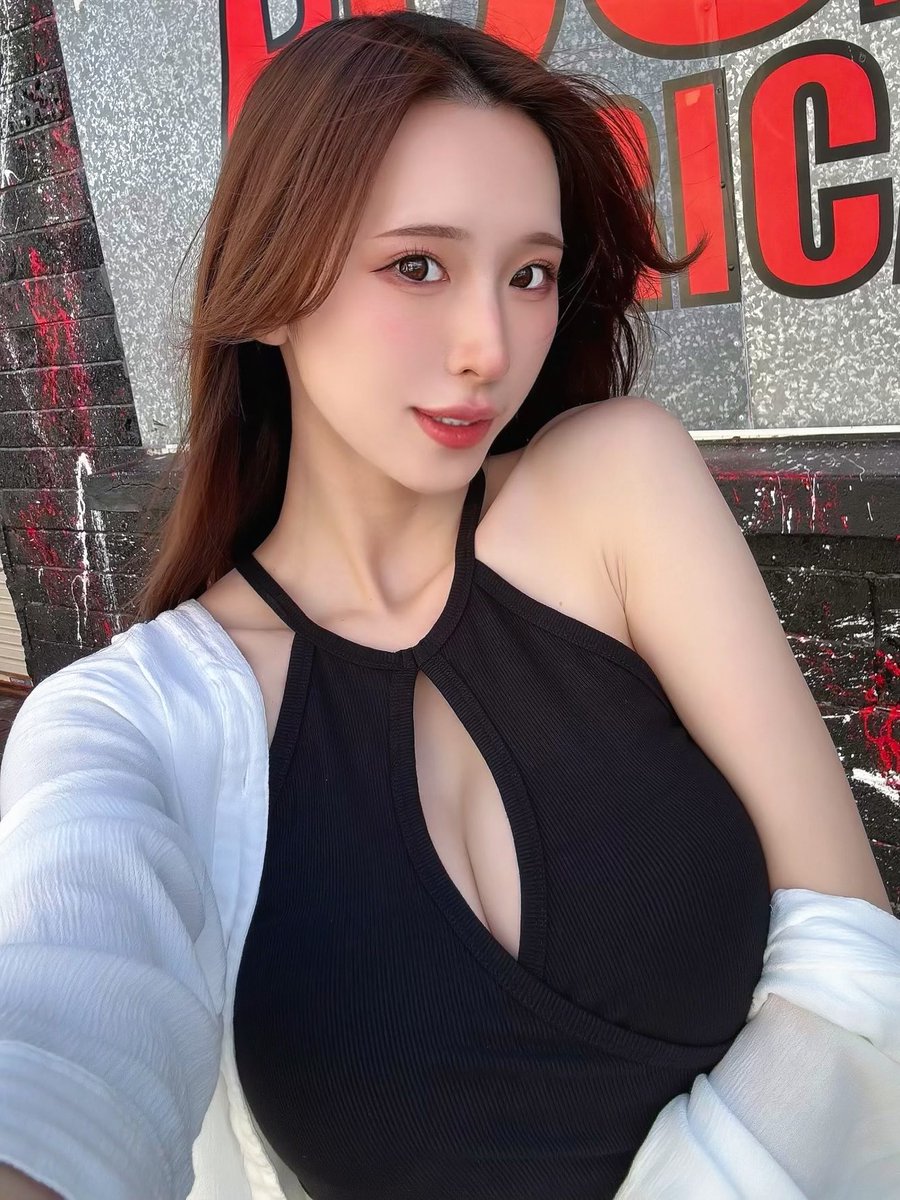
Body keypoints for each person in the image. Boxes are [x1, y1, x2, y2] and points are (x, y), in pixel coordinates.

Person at [1, 11, 898, 1200]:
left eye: (529, 274)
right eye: (417, 265)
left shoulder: (613, 489)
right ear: (268, 292)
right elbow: (57, 1063)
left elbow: (852, 959)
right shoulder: (130, 725)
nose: (489, 345)